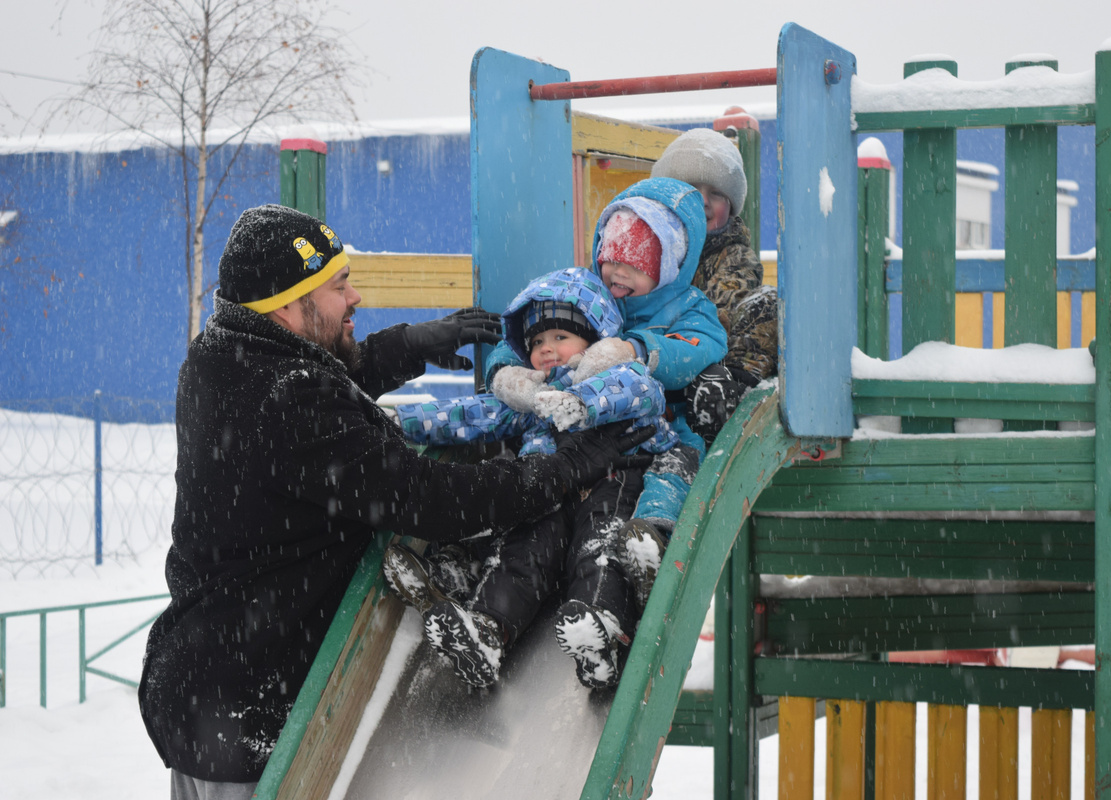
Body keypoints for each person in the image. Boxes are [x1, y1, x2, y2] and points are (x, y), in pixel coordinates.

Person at [138, 204, 653, 798]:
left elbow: (312, 372)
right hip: (254, 715)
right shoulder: (290, 404)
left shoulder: (220, 355)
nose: (354, 297)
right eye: (337, 287)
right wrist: (563, 470)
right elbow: (428, 496)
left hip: (202, 686)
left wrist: (409, 346)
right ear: (285, 304)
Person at [385, 266, 679, 689]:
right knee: (522, 552)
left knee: (597, 549)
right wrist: (403, 421)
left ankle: (602, 631)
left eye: (561, 337)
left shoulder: (618, 373)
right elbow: (472, 413)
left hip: (612, 481)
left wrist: (580, 402)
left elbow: (639, 392)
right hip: (551, 489)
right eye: (537, 341)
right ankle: (488, 630)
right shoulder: (532, 396)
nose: (546, 349)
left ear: (596, 339)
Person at [487, 177, 729, 610]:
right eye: (608, 258)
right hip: (584, 434)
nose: (616, 272)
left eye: (634, 263)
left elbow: (702, 345)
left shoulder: (687, 307)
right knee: (532, 488)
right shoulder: (592, 293)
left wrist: (637, 348)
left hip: (657, 431)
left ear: (670, 264)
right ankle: (489, 560)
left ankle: (652, 539)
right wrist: (506, 371)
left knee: (675, 467)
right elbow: (533, 328)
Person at [650, 126, 780, 445]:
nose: (704, 202)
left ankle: (728, 397)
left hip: (708, 362)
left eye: (717, 194)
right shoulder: (653, 247)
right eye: (691, 189)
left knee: (766, 304)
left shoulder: (733, 256)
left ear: (731, 207)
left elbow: (717, 316)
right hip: (657, 362)